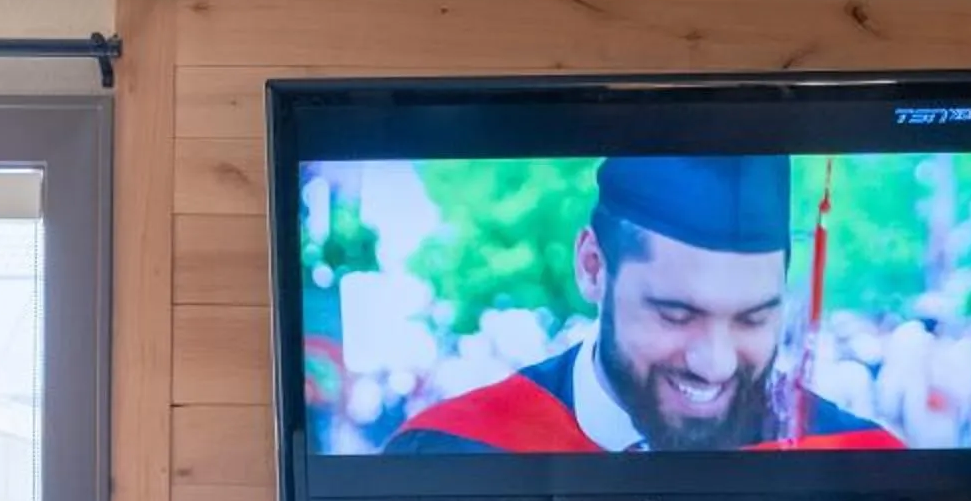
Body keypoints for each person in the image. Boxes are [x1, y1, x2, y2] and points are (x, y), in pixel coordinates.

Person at [384, 155, 905, 455]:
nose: (715, 362)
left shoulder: (856, 457)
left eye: (753, 317)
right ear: (593, 267)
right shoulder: (452, 450)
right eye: (675, 315)